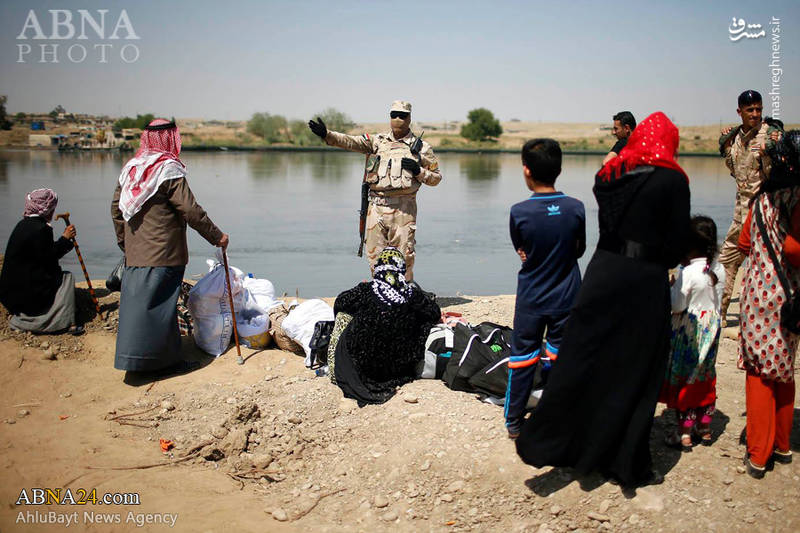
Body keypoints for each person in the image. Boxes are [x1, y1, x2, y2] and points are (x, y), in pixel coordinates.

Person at [515, 112, 691, 488]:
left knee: (585, 361)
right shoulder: (673, 179)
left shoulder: (608, 176)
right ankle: (625, 462)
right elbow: (676, 246)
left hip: (601, 274)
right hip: (643, 280)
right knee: (635, 370)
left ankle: (554, 442)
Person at [111, 119, 229, 374]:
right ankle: (165, 364)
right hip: (165, 252)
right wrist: (217, 236)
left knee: (139, 308)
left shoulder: (131, 169)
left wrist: (126, 244)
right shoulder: (168, 170)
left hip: (137, 254)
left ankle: (134, 360)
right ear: (169, 139)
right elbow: (190, 210)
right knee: (162, 310)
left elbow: (116, 211)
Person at [308, 101, 442, 282]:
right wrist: (327, 134)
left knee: (404, 257)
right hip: (376, 208)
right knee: (375, 256)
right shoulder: (376, 141)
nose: (398, 119)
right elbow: (350, 142)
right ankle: (380, 294)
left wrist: (419, 171)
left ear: (409, 118)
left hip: (404, 210)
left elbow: (436, 178)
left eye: (402, 115)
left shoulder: (422, 148)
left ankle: (405, 296)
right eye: (394, 114)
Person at [505, 139, 586, 439]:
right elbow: (579, 250)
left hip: (532, 297)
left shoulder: (519, 212)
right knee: (560, 354)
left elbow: (521, 249)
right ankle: (559, 412)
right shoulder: (576, 208)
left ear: (526, 170)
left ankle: (514, 420)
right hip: (567, 293)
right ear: (560, 169)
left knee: (523, 357)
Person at [736, 130, 800, 479]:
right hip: (791, 297)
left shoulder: (763, 201)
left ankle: (759, 454)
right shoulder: (798, 200)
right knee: (784, 368)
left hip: (760, 296)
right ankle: (783, 444)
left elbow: (745, 243)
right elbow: (794, 251)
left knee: (760, 373)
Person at [327, 247, 440, 405]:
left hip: (363, 368)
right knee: (420, 321)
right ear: (401, 270)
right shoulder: (413, 296)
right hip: (398, 370)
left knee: (344, 316)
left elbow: (340, 302)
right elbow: (435, 313)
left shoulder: (366, 290)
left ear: (377, 269)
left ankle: (332, 367)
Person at [660, 216, 725, 451]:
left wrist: (671, 284)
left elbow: (677, 306)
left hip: (689, 333)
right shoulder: (719, 269)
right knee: (705, 376)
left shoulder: (687, 272)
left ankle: (685, 432)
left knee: (686, 378)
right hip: (712, 330)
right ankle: (704, 427)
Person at [717, 90, 783, 324]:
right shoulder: (734, 138)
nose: (755, 114)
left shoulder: (770, 137)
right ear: (740, 112)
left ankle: (762, 320)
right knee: (726, 263)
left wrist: (773, 151)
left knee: (763, 270)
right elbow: (734, 168)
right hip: (740, 214)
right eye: (750, 110)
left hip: (764, 216)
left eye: (758, 109)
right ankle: (720, 314)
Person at [0, 188, 84, 335]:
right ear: (48, 210)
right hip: (30, 299)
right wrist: (65, 239)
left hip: (10, 298)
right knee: (67, 278)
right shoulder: (41, 229)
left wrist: (64, 240)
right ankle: (64, 323)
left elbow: (42, 256)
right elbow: (50, 261)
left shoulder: (22, 225)